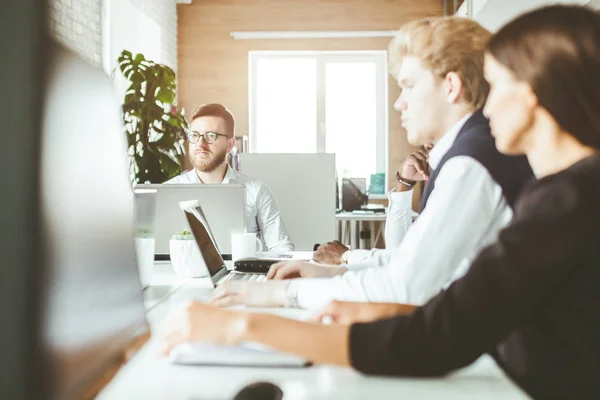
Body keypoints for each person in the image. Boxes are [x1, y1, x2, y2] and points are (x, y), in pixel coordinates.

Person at [163, 5, 600, 399]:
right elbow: (463, 303)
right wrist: (352, 305)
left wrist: (246, 323)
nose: (487, 102)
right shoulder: (566, 190)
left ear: (529, 97)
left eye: (497, 83)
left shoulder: (556, 195)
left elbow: (441, 331)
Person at [209, 17, 533, 309]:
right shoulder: (473, 149)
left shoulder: (471, 163)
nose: (398, 101)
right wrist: (328, 273)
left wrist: (285, 294)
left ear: (451, 86)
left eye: (408, 85)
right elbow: (411, 262)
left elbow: (406, 286)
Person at [166, 103, 294, 252]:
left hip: (240, 272)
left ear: (229, 144)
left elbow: (282, 248)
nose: (200, 144)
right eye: (194, 135)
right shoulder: (168, 191)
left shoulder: (256, 190)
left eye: (210, 136)